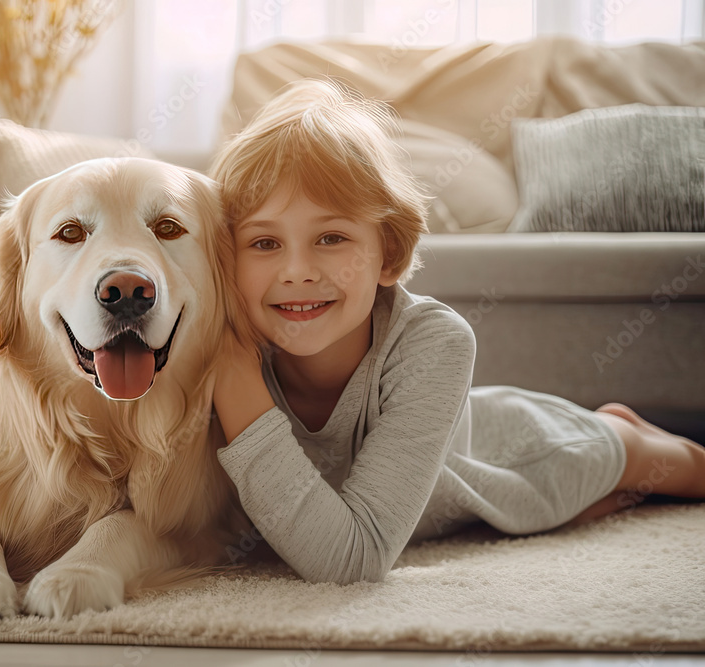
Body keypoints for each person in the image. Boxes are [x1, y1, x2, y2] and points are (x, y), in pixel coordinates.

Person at [207, 78, 705, 585]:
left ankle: (619, 432)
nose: (297, 270)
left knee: (671, 471)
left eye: (331, 237)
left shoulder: (434, 341)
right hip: (434, 494)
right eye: (264, 243)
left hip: (514, 457)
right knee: (600, 509)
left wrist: (232, 377)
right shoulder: (210, 332)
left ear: (391, 254)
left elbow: (350, 562)